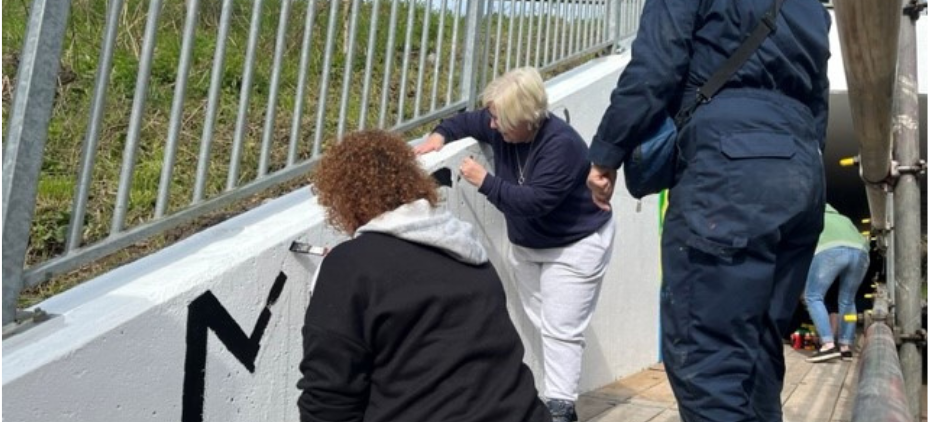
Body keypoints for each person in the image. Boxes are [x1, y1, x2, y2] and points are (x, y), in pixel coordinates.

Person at [585, 0, 831, 420]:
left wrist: (607, 152)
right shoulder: (812, 7)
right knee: (759, 353)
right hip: (800, 174)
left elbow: (655, 68)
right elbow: (819, 100)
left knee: (708, 359)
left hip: (728, 168)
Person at [297, 129, 551, 422]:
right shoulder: (465, 247)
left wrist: (345, 270)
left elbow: (328, 401)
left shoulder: (350, 267)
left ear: (343, 200)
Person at [415, 67, 614, 422]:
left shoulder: (562, 145)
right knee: (543, 322)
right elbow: (465, 122)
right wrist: (439, 135)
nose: (492, 126)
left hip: (575, 244)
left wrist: (485, 181)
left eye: (500, 120)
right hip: (528, 244)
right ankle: (558, 400)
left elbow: (533, 202)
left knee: (561, 329)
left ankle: (561, 408)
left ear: (527, 119)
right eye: (492, 117)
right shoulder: (501, 123)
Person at [804, 204, 870, 363]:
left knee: (813, 296)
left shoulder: (813, 216)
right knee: (848, 301)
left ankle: (827, 344)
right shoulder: (844, 219)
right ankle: (845, 347)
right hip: (861, 253)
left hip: (830, 251)